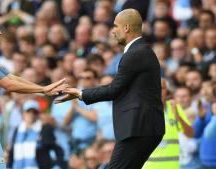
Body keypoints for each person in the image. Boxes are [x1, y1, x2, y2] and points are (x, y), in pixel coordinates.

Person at [55, 9, 165, 169]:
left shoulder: (136, 53)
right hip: (143, 127)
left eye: (115, 26)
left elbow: (114, 89)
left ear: (126, 28)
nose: (112, 31)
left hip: (138, 128)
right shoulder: (140, 51)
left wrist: (80, 93)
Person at [0, 12, 66, 169]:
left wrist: (42, 89)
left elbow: (10, 77)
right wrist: (43, 89)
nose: (0, 32)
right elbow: (9, 85)